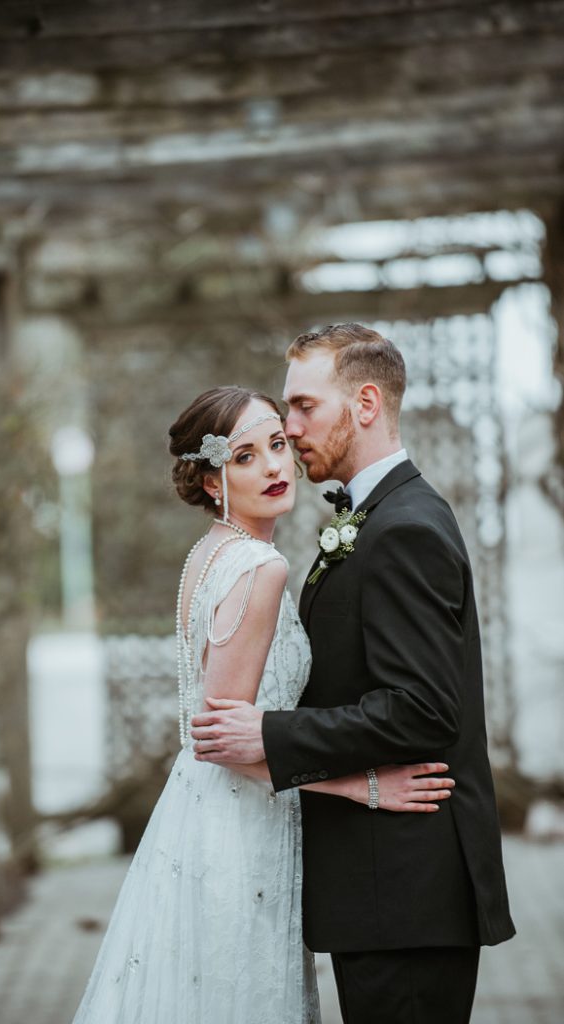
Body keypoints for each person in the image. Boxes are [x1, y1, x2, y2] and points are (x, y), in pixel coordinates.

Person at [71, 384, 456, 1024]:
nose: (276, 466)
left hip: (203, 812)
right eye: (246, 456)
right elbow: (225, 743)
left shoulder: (208, 555)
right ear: (213, 481)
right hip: (239, 827)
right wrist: (361, 786)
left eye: (278, 444)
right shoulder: (260, 567)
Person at [192, 325, 516, 1024]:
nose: (290, 426)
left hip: (405, 892)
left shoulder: (403, 528)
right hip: (383, 892)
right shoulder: (371, 520)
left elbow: (424, 709)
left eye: (304, 406)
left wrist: (270, 734)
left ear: (365, 403)